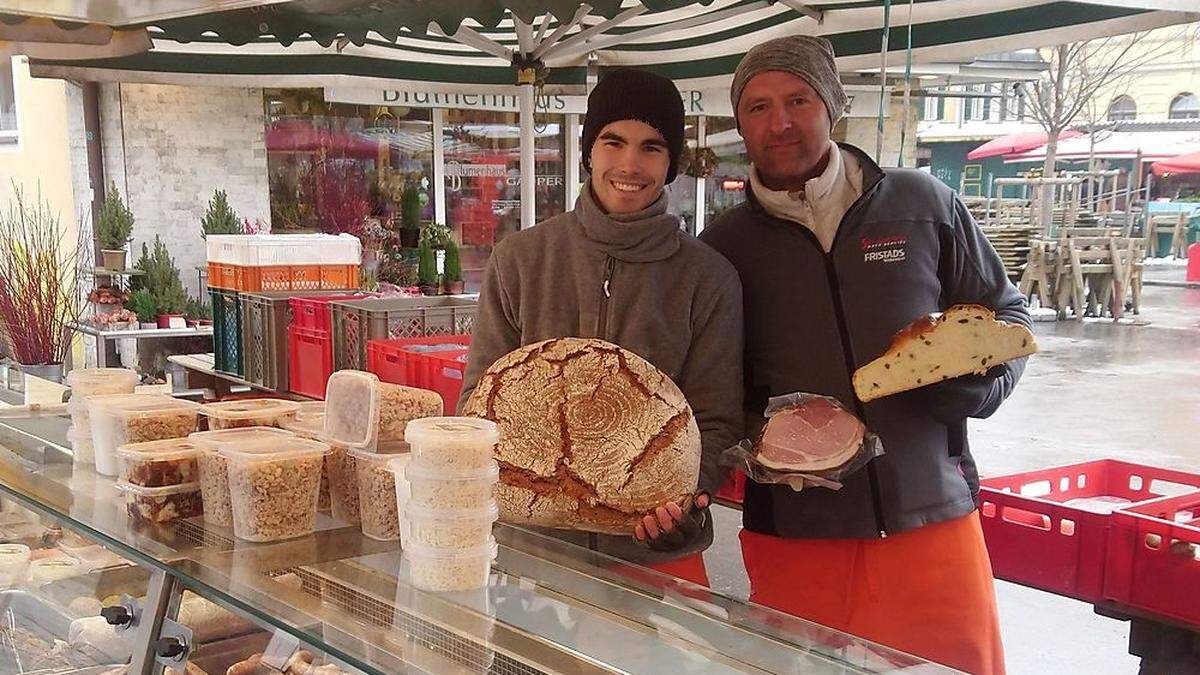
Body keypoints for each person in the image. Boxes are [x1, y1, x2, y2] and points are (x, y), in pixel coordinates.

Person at [699, 36, 1030, 675]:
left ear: (833, 105)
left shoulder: (923, 204)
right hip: (796, 527)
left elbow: (1006, 315)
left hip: (929, 510)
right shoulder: (724, 247)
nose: (781, 123)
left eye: (799, 100)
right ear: (740, 124)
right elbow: (711, 383)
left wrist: (983, 386)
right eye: (758, 107)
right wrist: (755, 445)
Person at [459, 68, 743, 586]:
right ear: (590, 150)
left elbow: (718, 420)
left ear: (671, 162)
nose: (630, 164)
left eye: (651, 147)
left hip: (655, 559)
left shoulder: (708, 278)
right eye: (613, 141)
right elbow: (480, 400)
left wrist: (680, 499)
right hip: (526, 554)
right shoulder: (520, 259)